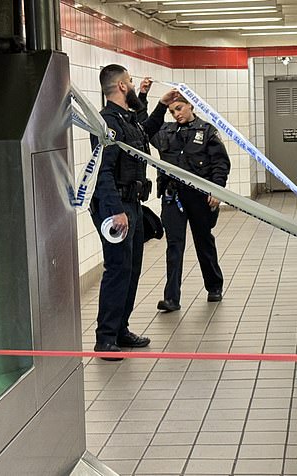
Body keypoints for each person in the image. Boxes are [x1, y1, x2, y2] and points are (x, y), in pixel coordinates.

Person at [89, 64, 179, 360]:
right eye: (129, 80)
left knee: (131, 269)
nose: (132, 84)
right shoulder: (107, 124)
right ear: (122, 87)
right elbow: (102, 172)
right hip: (116, 206)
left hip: (133, 205)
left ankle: (120, 329)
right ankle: (105, 338)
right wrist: (116, 212)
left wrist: (162, 106)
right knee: (117, 270)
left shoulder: (126, 120)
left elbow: (144, 132)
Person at [150, 96, 231, 312]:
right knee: (174, 246)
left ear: (190, 106)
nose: (177, 114)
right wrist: (146, 97)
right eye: (172, 111)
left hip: (199, 197)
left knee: (203, 241)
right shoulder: (165, 132)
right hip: (173, 196)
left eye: (179, 108)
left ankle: (214, 286)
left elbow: (220, 163)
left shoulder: (206, 131)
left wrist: (217, 188)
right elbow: (145, 129)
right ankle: (171, 299)